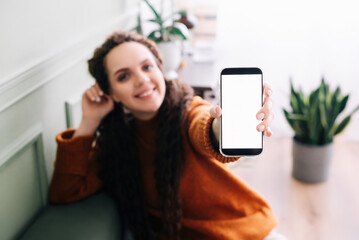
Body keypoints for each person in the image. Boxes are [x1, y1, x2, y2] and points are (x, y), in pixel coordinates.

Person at [49, 31, 285, 240]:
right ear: (112, 94)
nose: (142, 79)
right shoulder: (116, 145)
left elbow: (202, 125)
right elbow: (65, 191)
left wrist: (220, 127)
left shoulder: (188, 109)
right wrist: (89, 122)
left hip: (248, 232)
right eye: (124, 76)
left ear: (161, 70)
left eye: (147, 67)